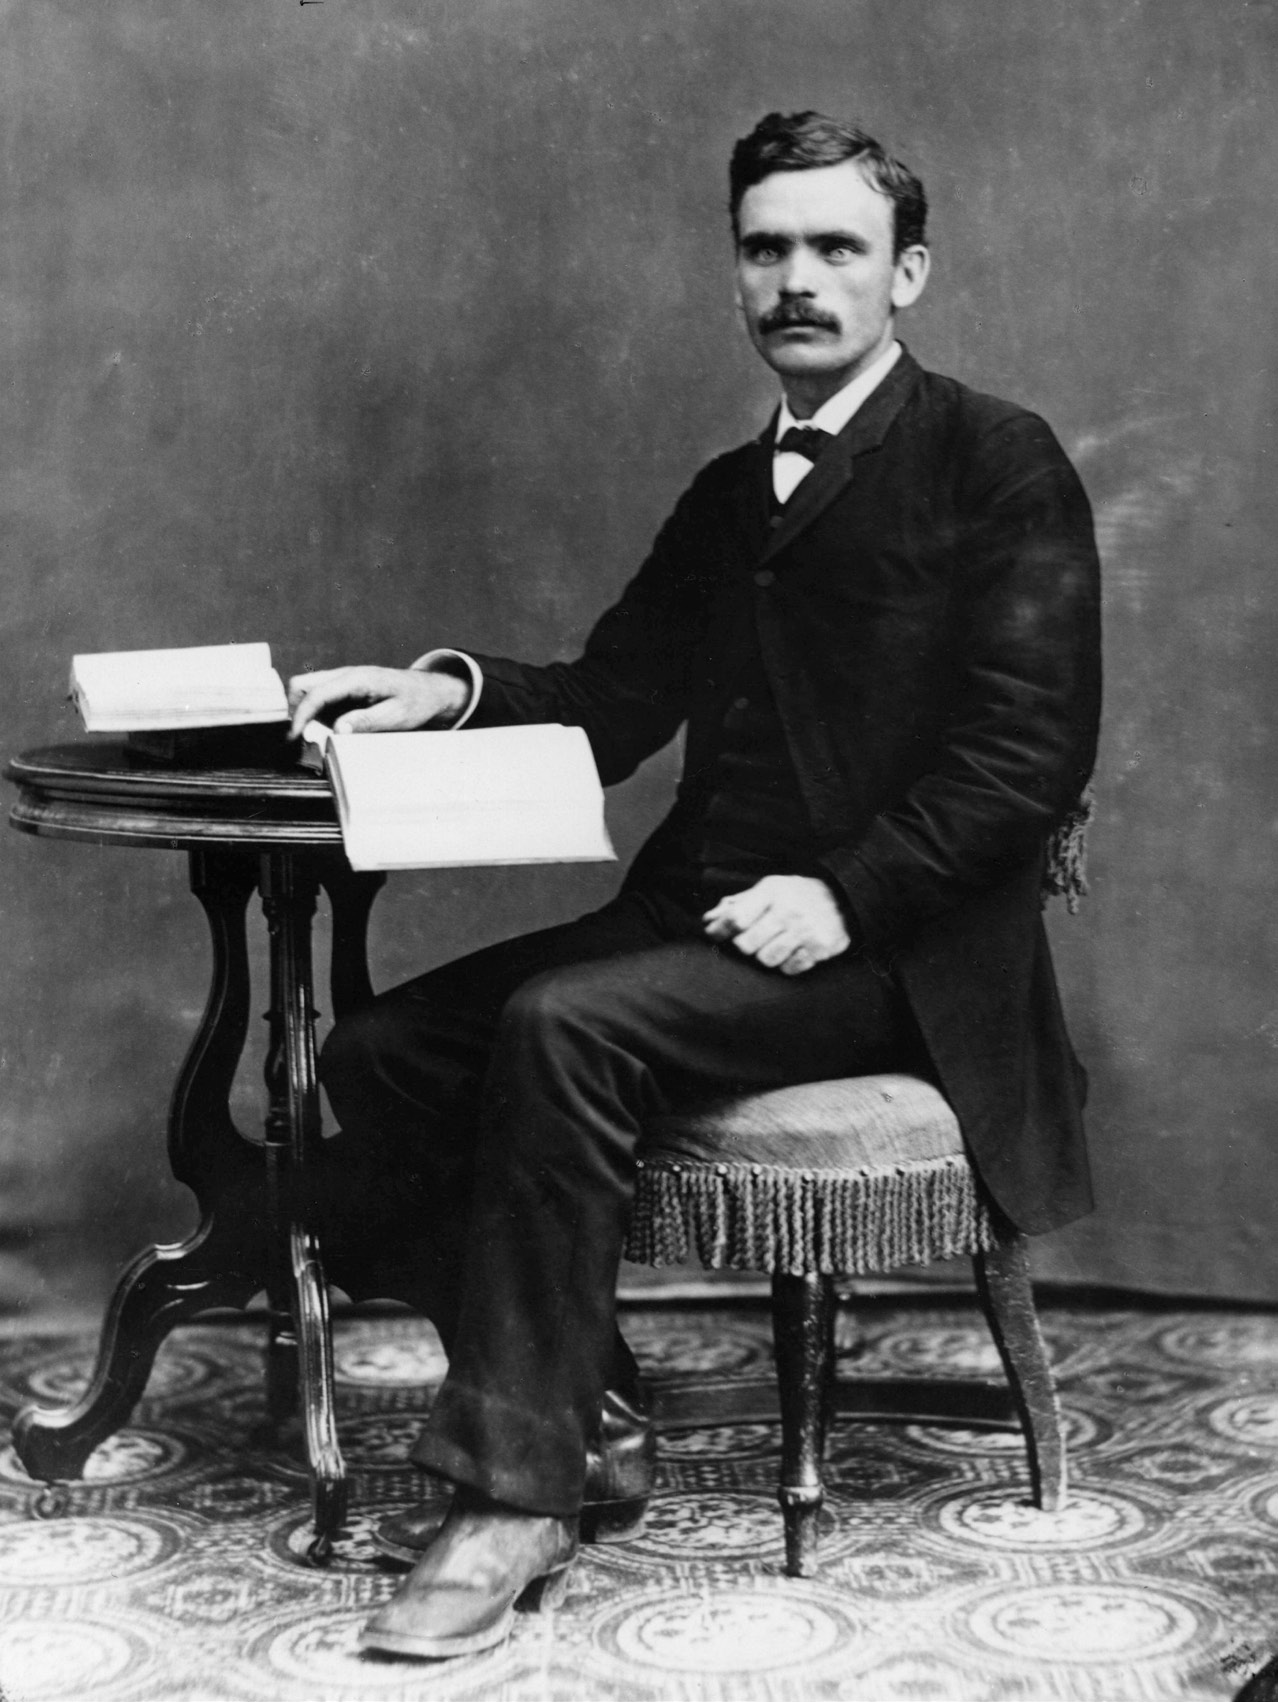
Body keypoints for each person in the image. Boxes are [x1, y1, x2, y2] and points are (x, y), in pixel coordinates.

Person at [288, 109, 1101, 1659]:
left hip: (897, 953)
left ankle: (510, 1495)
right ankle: (581, 1407)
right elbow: (614, 694)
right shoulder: (736, 491)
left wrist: (847, 896)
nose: (796, 279)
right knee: (381, 1052)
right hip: (702, 924)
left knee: (563, 1025)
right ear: (735, 270)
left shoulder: (995, 460)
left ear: (905, 273)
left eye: (835, 249)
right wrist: (444, 689)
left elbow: (1026, 758)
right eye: (765, 248)